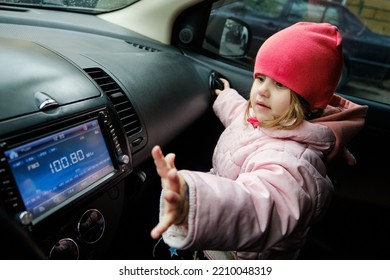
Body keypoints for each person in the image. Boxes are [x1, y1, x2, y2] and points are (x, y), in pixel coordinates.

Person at [150, 22, 368, 259]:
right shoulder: (270, 118)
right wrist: (225, 97)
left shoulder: (293, 164)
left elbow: (258, 206)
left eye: (280, 84)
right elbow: (242, 118)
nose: (262, 91)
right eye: (261, 78)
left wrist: (191, 204)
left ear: (306, 101)